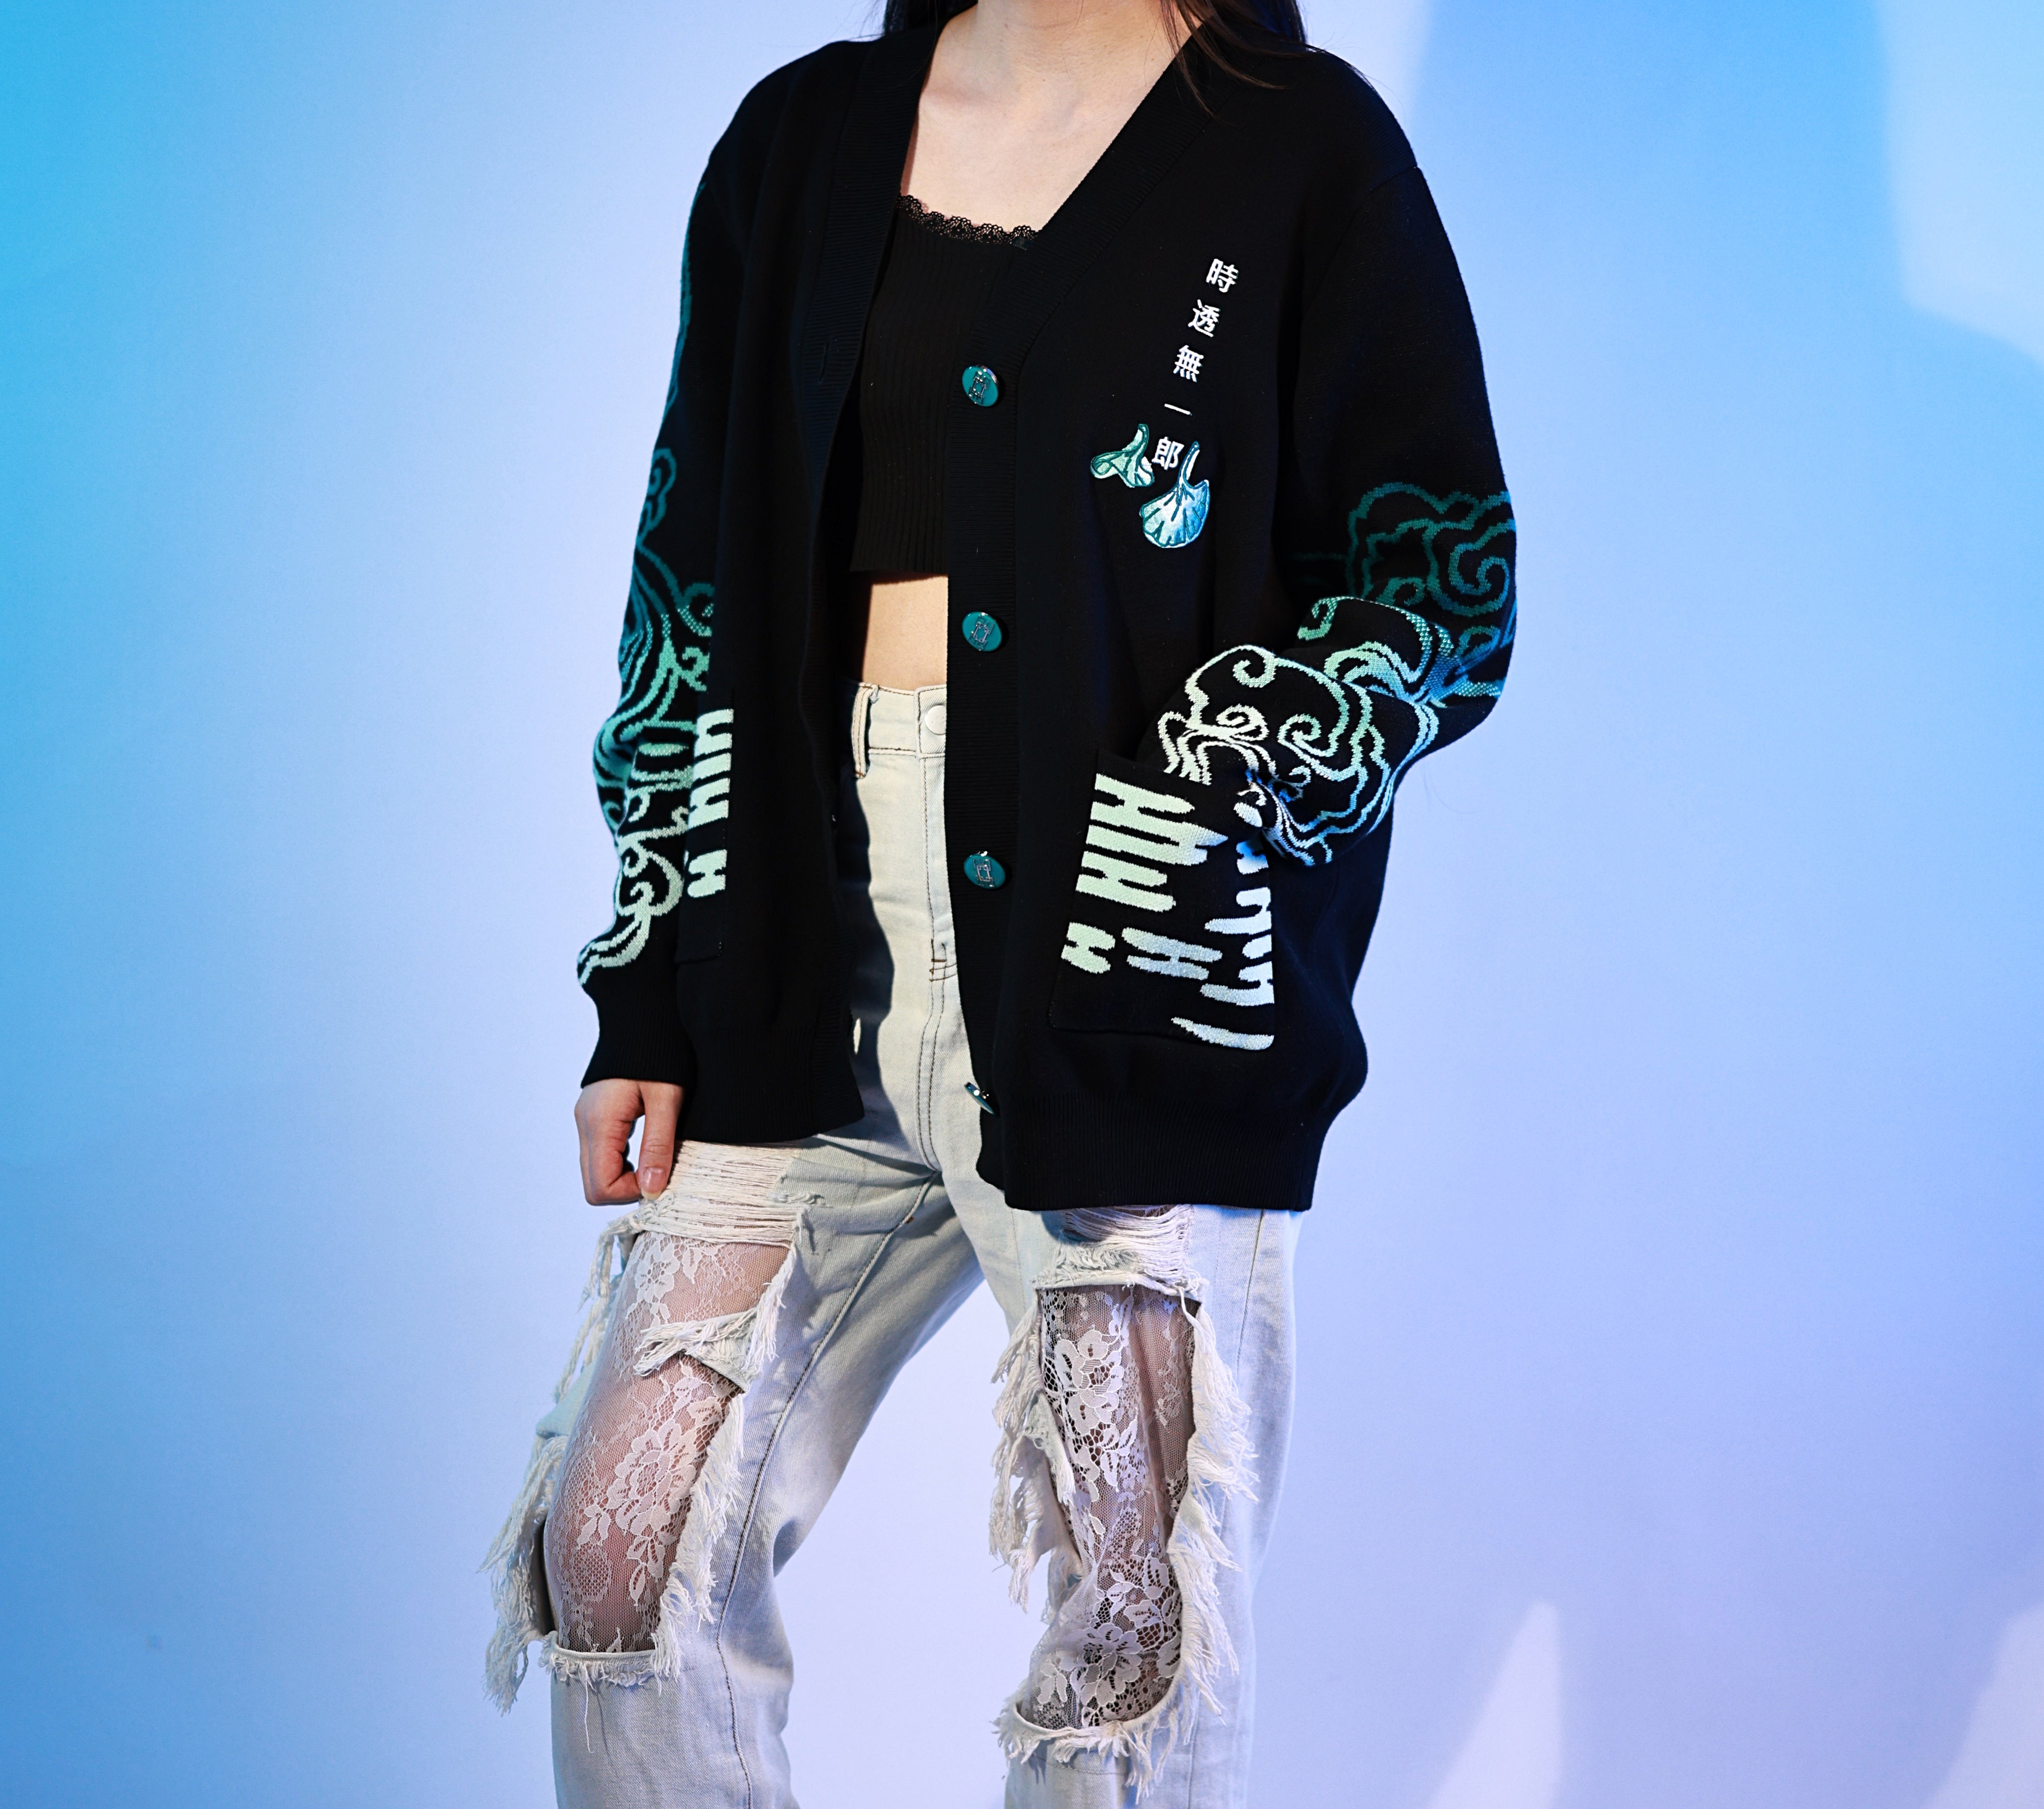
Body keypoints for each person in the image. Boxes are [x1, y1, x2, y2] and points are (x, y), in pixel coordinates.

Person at [485, 0, 1515, 1803]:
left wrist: (1207, 789)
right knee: (622, 1549)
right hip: (799, 955)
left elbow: (1444, 581)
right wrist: (647, 974)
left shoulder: (1302, 149)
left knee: (1129, 1631)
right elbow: (690, 575)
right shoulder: (799, 142)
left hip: (1133, 963)